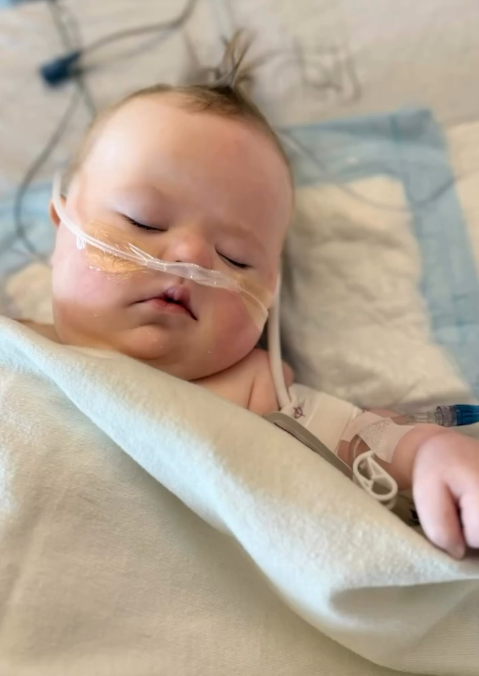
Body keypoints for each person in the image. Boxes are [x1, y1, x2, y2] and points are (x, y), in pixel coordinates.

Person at [20, 34, 479, 560]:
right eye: (143, 220)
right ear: (61, 228)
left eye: (236, 258)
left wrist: (433, 452)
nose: (192, 256)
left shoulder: (256, 391)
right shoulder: (17, 348)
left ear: (269, 295)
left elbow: (369, 439)